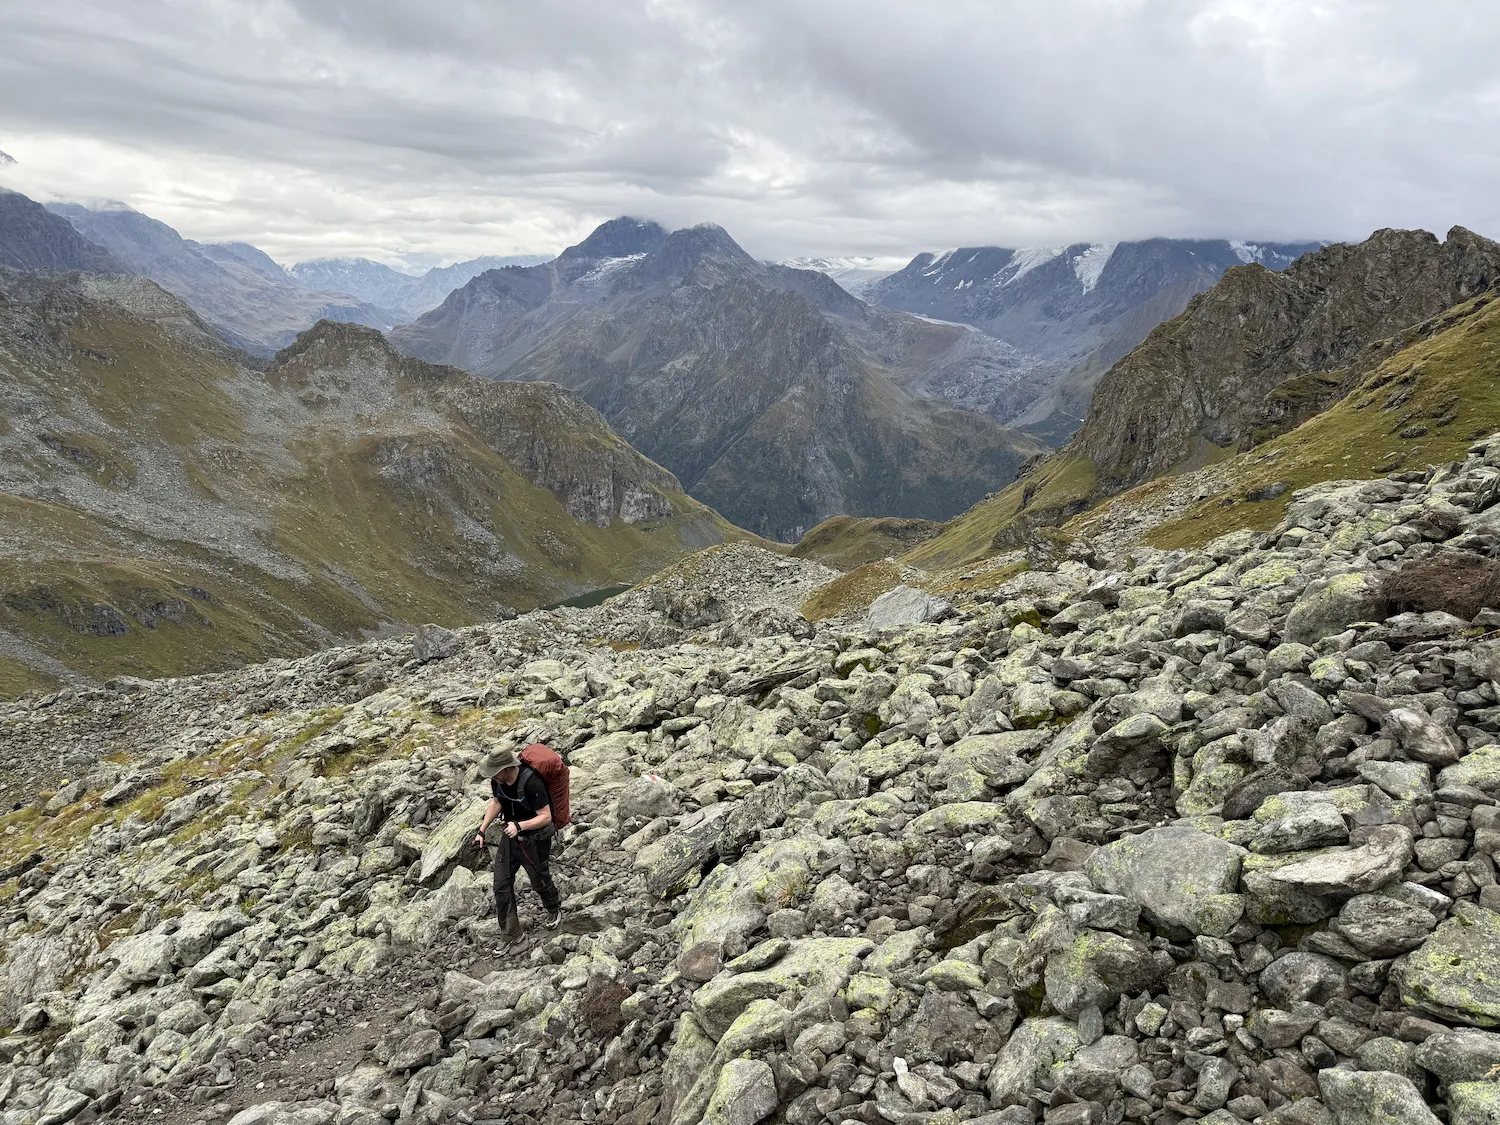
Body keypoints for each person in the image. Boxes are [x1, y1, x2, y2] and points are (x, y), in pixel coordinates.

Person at [473, 749, 564, 937]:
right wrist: (482, 830)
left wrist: (520, 826)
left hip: (535, 837)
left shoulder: (532, 782)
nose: (492, 776)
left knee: (539, 878)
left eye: (495, 771)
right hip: (511, 835)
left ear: (506, 768)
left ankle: (553, 908)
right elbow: (496, 803)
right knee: (501, 884)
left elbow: (546, 817)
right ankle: (512, 935)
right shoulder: (497, 781)